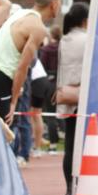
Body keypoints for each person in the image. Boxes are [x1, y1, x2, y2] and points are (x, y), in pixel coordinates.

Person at [55, 2, 89, 195]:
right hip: (83, 96)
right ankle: (84, 188)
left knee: (69, 146)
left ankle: (69, 190)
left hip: (66, 96)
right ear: (86, 20)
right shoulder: (88, 39)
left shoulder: (63, 40)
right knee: (89, 146)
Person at [39, 25, 62, 153]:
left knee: (50, 114)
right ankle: (61, 136)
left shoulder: (46, 50)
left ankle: (53, 143)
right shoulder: (63, 48)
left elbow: (42, 66)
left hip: (49, 83)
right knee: (63, 113)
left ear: (51, 35)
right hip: (62, 84)